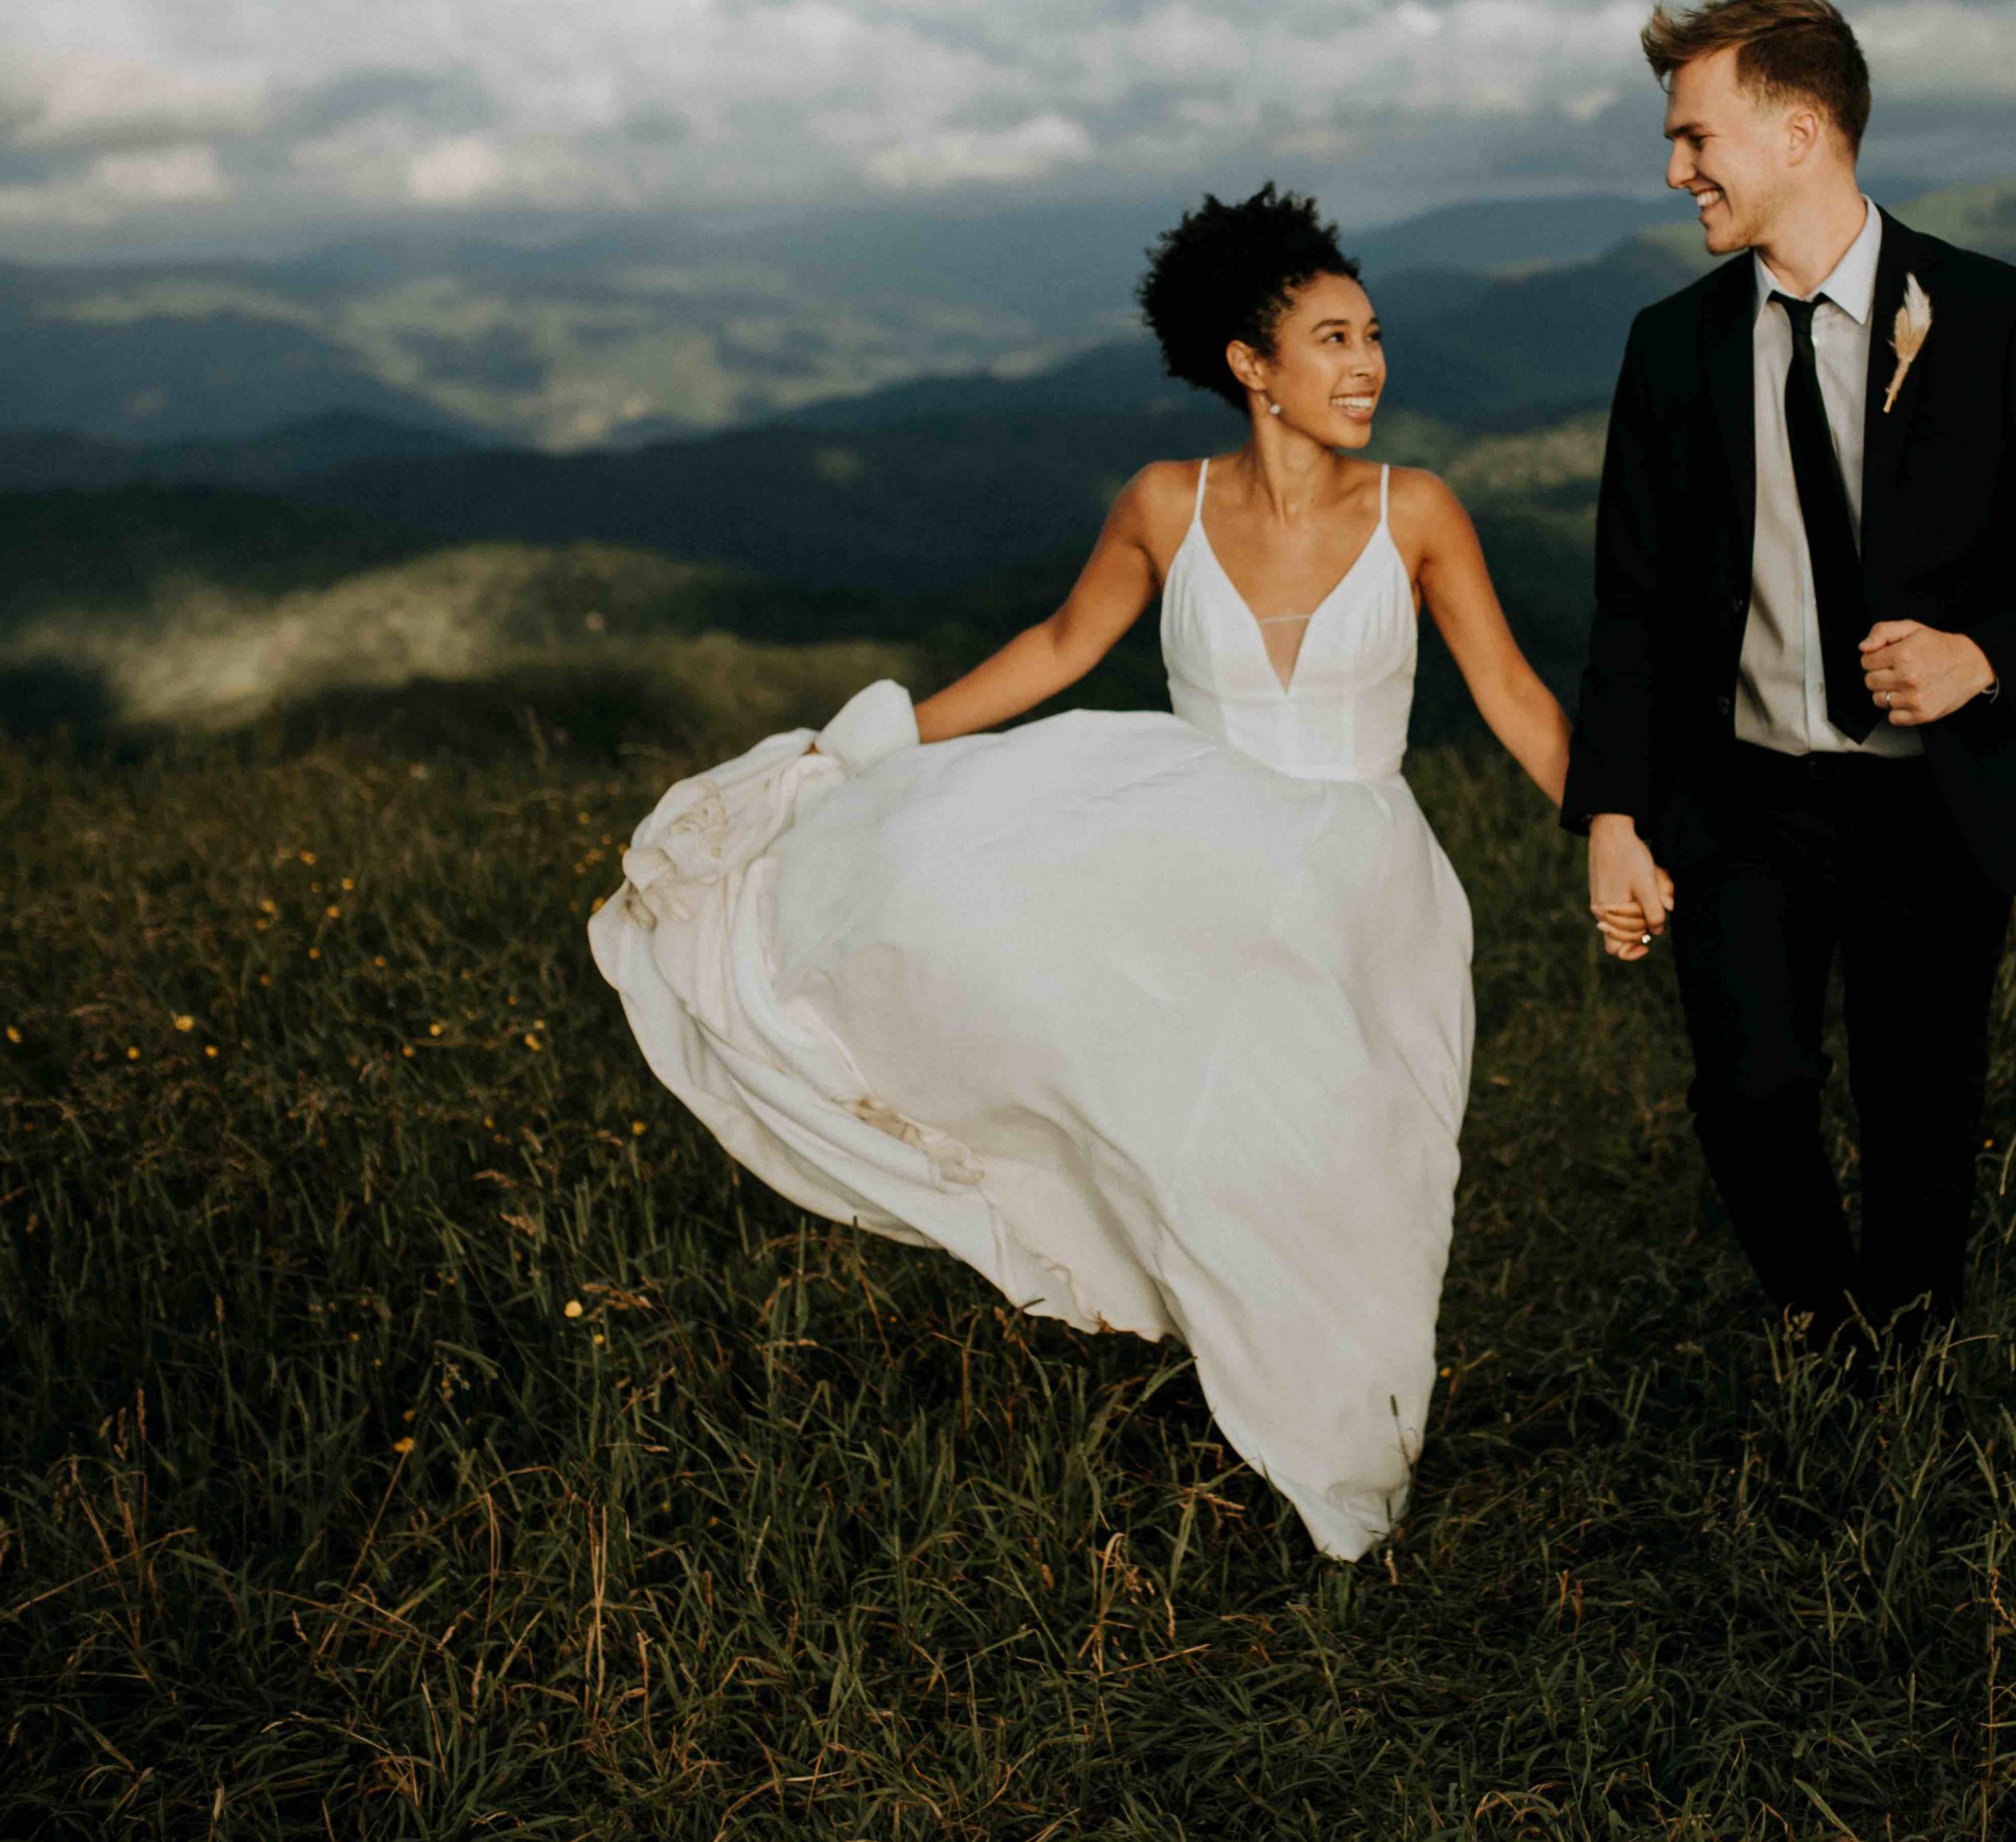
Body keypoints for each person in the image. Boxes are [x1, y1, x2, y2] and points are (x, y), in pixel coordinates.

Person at [590, 184, 1574, 1560]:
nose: (1368, 367)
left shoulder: (1420, 512)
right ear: (1253, 368)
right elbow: (1058, 649)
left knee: (1358, 1158)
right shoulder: (1167, 505)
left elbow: (1520, 700)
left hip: (1361, 872)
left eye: (1372, 336)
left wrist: (1628, 830)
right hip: (1189, 845)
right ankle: (1298, 1444)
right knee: (1200, 1134)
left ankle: (1349, 1435)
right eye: (1335, 340)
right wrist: (864, 746)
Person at [1565, 0, 2016, 1367]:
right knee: (1749, 1089)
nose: (1674, 172)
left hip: (1933, 803)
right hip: (1746, 797)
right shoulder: (1673, 347)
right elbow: (1634, 605)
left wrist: (1984, 654)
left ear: (1801, 130)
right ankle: (1824, 1339)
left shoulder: (2001, 317)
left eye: (1695, 137)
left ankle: (1915, 1365)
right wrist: (1613, 816)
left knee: (1920, 1103)